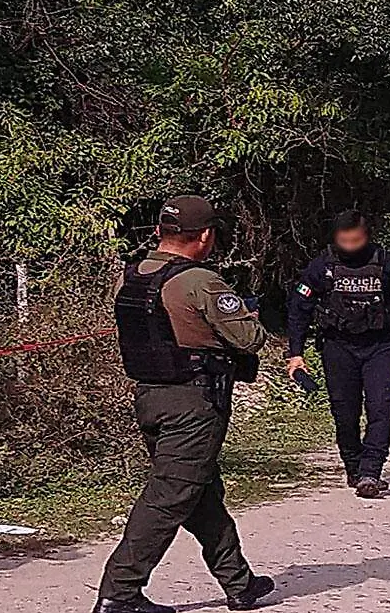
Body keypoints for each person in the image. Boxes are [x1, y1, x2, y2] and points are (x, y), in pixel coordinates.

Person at [96, 196, 274, 613]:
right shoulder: (200, 282)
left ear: (160, 231)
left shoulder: (132, 275)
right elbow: (249, 339)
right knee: (169, 496)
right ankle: (120, 594)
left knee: (200, 493)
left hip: (150, 397)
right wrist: (247, 312)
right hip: (194, 404)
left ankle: (239, 584)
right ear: (206, 236)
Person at [286, 210, 390, 499]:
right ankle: (353, 466)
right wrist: (296, 353)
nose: (350, 247)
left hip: (379, 345)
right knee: (345, 412)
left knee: (381, 407)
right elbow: (298, 309)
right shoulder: (322, 265)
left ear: (367, 237)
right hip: (337, 346)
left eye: (356, 241)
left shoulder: (387, 262)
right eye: (344, 241)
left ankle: (371, 471)